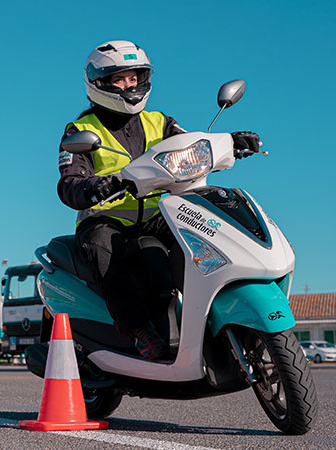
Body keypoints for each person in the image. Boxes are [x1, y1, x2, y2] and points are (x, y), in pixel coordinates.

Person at [57, 40, 260, 360]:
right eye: (119, 79)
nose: (129, 85)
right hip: (107, 219)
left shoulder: (160, 122)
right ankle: (139, 331)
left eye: (134, 77)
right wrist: (94, 187)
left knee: (209, 232)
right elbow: (69, 183)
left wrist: (232, 142)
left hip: (158, 212)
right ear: (99, 83)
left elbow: (192, 143)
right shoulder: (81, 130)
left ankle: (215, 315)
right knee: (103, 248)